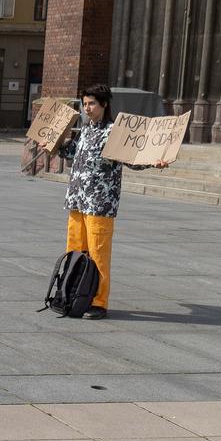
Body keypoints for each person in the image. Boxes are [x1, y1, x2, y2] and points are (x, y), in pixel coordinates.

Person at [55, 83, 170, 319]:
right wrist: (55, 141)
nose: (87, 108)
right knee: (75, 250)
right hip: (77, 199)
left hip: (100, 202)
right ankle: (73, 292)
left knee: (98, 254)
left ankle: (98, 301)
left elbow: (133, 160)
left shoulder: (114, 132)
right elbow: (70, 153)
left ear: (104, 104)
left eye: (92, 104)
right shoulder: (86, 130)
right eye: (85, 104)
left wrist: (155, 161)